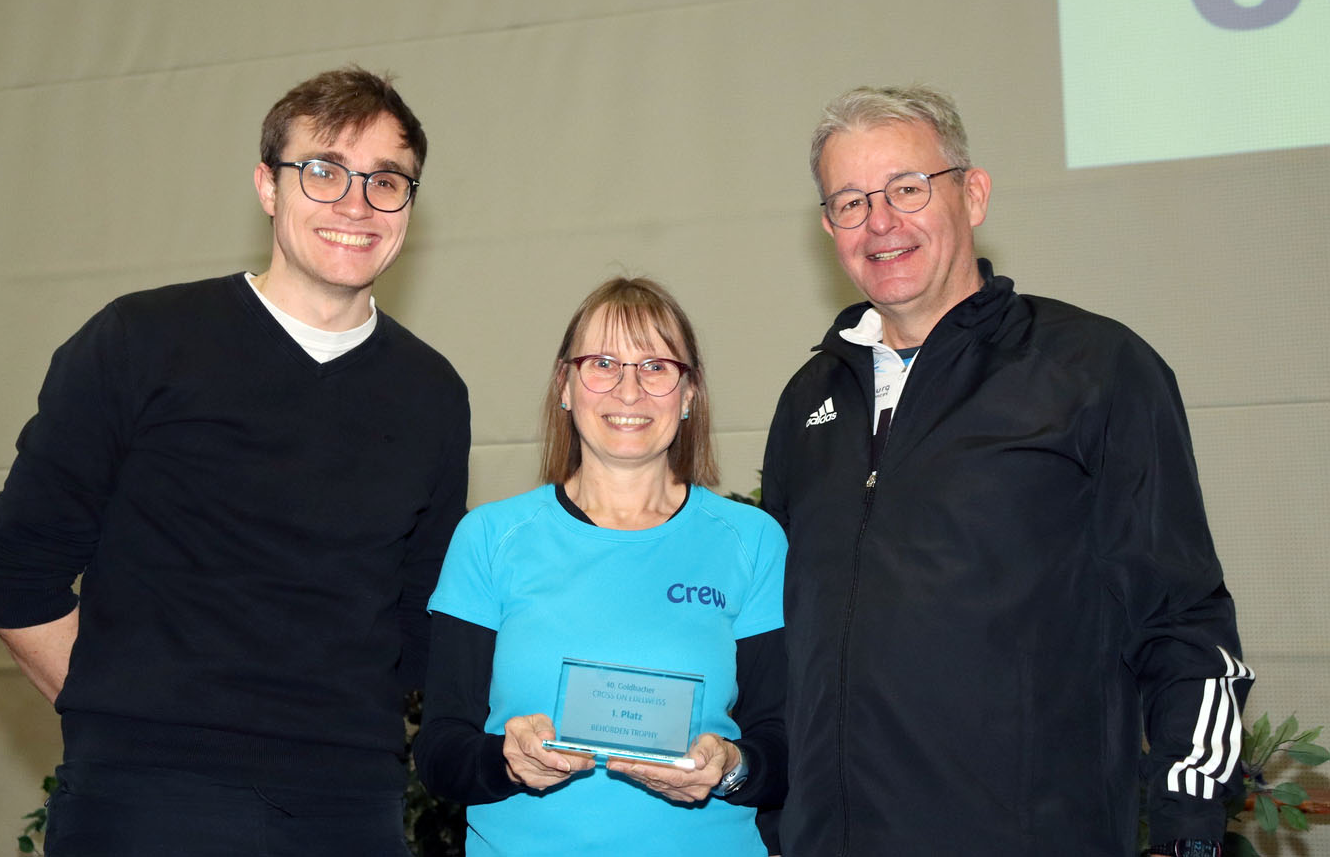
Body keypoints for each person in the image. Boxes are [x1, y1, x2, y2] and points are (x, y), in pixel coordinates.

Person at [0, 66, 469, 856]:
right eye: (323, 171)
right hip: (147, 800)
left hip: (352, 803)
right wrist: (125, 717)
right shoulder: (140, 341)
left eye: (386, 180)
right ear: (267, 187)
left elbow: (417, 623)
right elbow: (16, 577)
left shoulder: (433, 393)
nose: (355, 203)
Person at [762, 85, 1253, 855]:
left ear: (974, 193)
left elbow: (1182, 620)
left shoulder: (1092, 368)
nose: (880, 221)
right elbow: (780, 638)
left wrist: (1190, 830)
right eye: (851, 201)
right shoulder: (808, 401)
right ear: (828, 227)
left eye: (907, 188)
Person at [414, 277, 787, 856]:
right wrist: (506, 761)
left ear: (689, 394)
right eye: (603, 363)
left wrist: (732, 766)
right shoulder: (489, 538)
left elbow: (789, 745)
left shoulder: (751, 540)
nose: (629, 390)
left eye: (657, 366)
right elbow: (439, 753)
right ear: (565, 385)